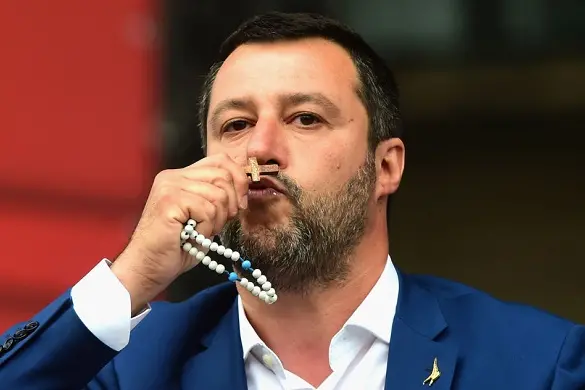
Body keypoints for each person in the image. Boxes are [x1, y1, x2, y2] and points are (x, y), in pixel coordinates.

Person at [1, 11, 584, 390]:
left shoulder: (538, 364)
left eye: (305, 118)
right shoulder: (128, 369)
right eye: (234, 125)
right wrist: (131, 275)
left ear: (386, 166)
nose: (261, 148)